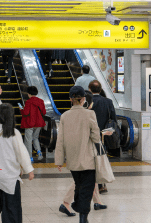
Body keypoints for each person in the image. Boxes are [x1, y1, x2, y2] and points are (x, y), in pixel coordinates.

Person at [0, 104, 34, 223]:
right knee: (12, 208)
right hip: (9, 177)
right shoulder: (13, 132)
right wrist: (29, 170)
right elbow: (22, 154)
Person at [55, 86, 101, 223]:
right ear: (83, 99)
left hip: (73, 160)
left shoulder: (64, 116)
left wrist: (59, 160)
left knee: (79, 185)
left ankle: (78, 208)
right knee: (86, 190)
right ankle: (83, 217)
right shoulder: (89, 114)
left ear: (70, 99)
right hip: (88, 160)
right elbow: (96, 137)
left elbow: (60, 140)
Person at [89, 80, 117, 193]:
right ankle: (102, 184)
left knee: (90, 159)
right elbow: (114, 119)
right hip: (103, 136)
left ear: (90, 90)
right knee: (101, 158)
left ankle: (92, 184)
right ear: (100, 90)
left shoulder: (87, 101)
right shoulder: (108, 101)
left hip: (90, 135)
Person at [20, 86, 46, 162]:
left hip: (30, 123)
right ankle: (39, 152)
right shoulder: (41, 101)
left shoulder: (28, 102)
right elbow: (44, 112)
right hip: (38, 123)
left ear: (29, 94)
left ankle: (29, 157)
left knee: (28, 140)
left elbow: (25, 113)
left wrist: (21, 109)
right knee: (35, 138)